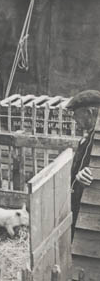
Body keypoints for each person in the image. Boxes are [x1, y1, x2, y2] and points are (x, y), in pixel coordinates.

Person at [65, 90, 100, 240]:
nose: (73, 118)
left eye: (76, 113)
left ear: (89, 112)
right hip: (77, 203)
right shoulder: (87, 138)